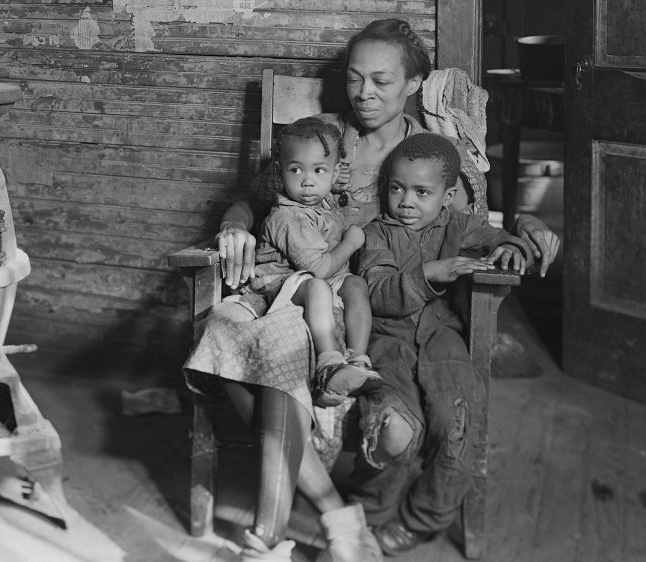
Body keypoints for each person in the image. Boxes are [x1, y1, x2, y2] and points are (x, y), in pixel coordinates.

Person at [184, 18, 561, 561]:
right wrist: (234, 224)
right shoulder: (323, 136)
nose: (364, 94)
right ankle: (325, 518)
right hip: (308, 292)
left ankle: (285, 530)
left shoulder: (427, 154)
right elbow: (256, 197)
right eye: (356, 79)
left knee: (289, 355)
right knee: (236, 338)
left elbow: (469, 224)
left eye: (382, 81)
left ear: (412, 85)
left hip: (369, 308)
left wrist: (523, 221)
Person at [355, 132, 531, 554]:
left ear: (448, 195)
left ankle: (424, 516)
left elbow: (494, 237)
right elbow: (376, 291)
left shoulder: (459, 225)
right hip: (387, 341)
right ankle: (369, 512)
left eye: (421, 192)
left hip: (442, 338)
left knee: (457, 420)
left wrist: (510, 246)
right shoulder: (377, 233)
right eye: (397, 188)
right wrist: (430, 272)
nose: (406, 201)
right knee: (396, 424)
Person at [249, 116, 382, 407]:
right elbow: (319, 269)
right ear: (279, 171)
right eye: (296, 170)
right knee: (318, 287)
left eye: (319, 171)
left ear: (335, 175)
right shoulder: (288, 217)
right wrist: (351, 242)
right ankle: (328, 363)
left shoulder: (322, 201)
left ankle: (357, 361)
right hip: (280, 283)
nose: (308, 181)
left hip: (321, 277)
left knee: (357, 285)